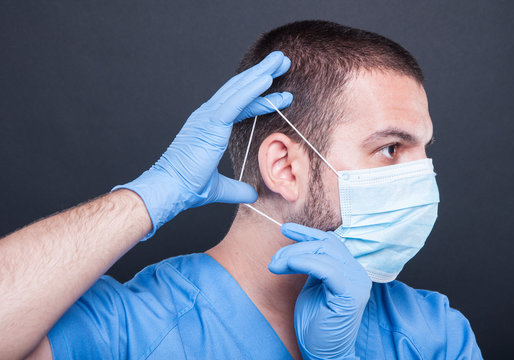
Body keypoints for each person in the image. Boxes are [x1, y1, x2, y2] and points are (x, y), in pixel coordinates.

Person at [0, 20, 483, 359]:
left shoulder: (433, 332)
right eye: (393, 149)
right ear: (285, 167)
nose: (425, 177)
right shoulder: (133, 327)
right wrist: (149, 195)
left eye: (425, 150)